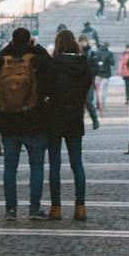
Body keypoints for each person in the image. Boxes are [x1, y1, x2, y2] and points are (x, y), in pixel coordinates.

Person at [0, 25, 55, 219]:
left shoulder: (2, 61)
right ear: (29, 41)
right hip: (34, 119)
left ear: (12, 41)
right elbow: (53, 70)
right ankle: (34, 208)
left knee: (10, 168)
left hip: (8, 120)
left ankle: (11, 210)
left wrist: (10, 47)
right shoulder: (38, 60)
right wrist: (36, 48)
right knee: (36, 167)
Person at [46, 27, 94, 221]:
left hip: (55, 117)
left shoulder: (53, 64)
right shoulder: (84, 64)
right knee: (77, 164)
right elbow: (86, 90)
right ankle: (80, 207)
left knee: (55, 165)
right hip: (75, 117)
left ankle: (56, 208)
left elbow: (46, 90)